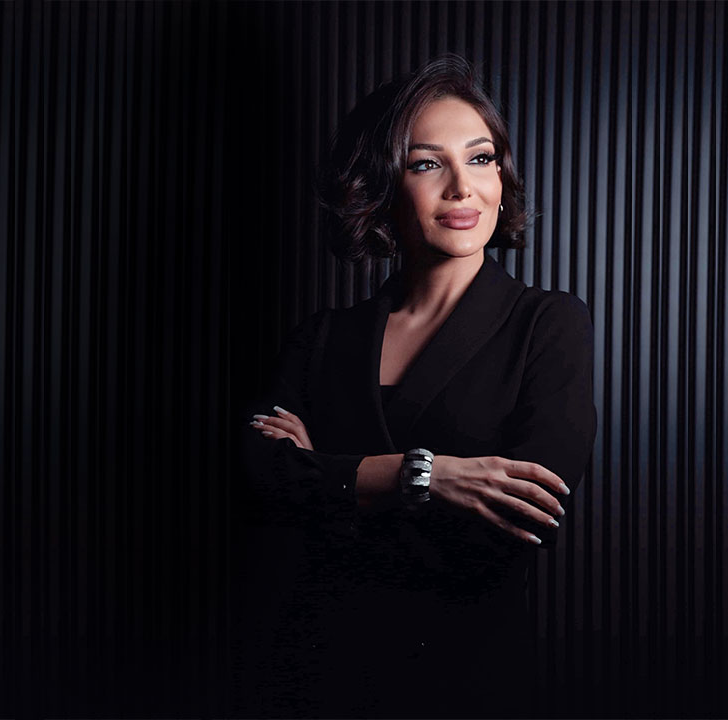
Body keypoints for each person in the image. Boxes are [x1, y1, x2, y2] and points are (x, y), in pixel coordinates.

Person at [236, 54, 597, 719]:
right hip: (314, 677)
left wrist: (327, 474)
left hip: (464, 683)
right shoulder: (325, 337)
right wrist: (426, 477)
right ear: (380, 186)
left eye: (481, 158)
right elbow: (256, 485)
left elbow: (516, 523)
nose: (463, 188)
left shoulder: (547, 325)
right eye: (427, 164)